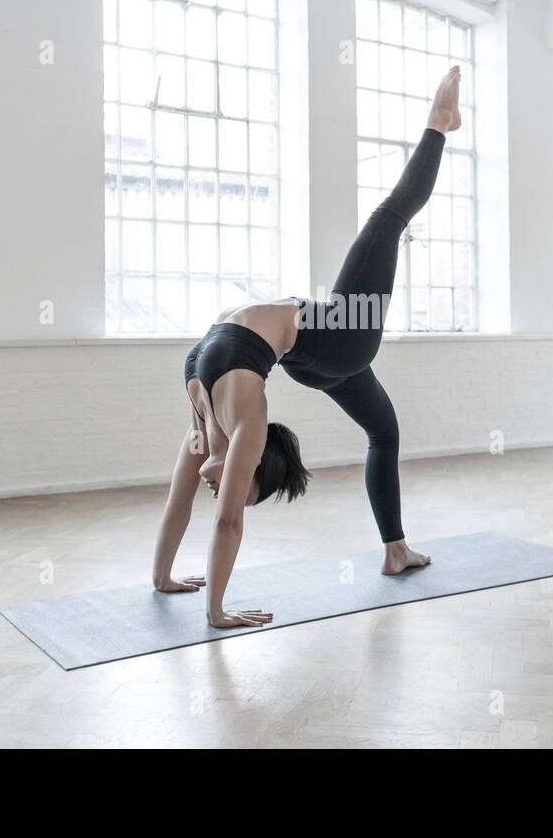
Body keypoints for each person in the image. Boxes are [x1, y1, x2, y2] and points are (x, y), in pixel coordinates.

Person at [151, 66, 463, 628]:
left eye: (235, 493)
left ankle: (395, 550)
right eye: (244, 490)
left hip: (314, 358)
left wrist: (167, 581)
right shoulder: (245, 420)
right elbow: (223, 524)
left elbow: (181, 502)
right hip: (343, 336)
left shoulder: (204, 422)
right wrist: (215, 609)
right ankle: (439, 125)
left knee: (383, 431)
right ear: (255, 467)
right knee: (387, 219)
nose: (227, 495)